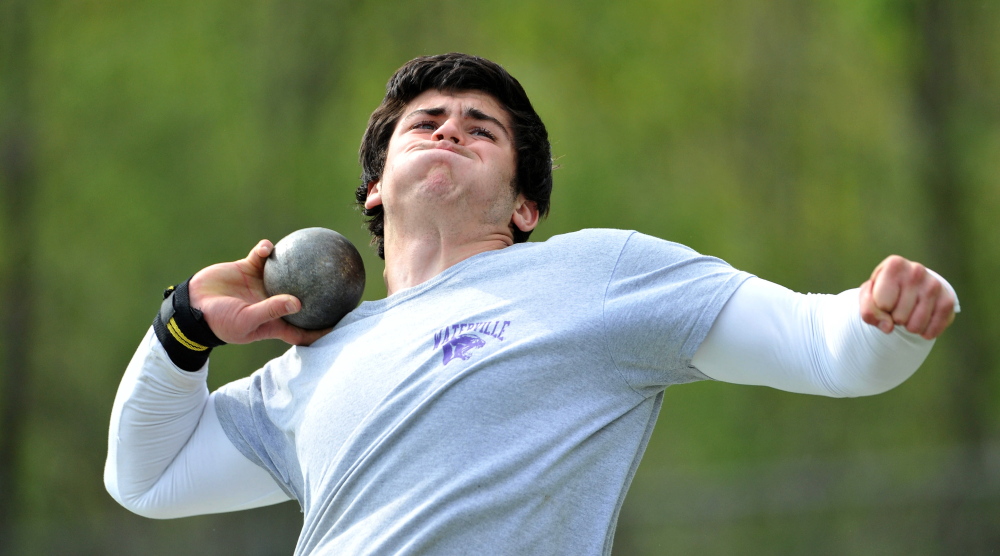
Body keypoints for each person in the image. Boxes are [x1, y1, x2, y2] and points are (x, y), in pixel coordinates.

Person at [105, 53, 958, 555]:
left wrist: (890, 318)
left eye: (481, 130)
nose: (449, 129)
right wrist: (184, 327)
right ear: (374, 192)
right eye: (427, 121)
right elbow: (146, 479)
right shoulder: (313, 363)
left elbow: (825, 347)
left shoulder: (601, 275)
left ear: (524, 207)